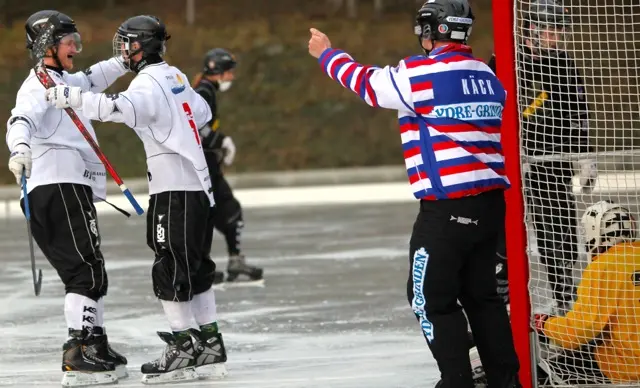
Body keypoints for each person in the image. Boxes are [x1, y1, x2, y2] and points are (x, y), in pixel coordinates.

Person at [308, 0, 520, 386]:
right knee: (482, 297)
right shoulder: (488, 76)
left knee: (428, 299)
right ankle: (505, 379)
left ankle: (456, 380)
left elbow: (367, 84)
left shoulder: (421, 73)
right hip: (491, 205)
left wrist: (327, 54)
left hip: (448, 208)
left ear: (430, 30)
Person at [43, 15, 228, 384]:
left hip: (172, 190)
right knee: (196, 268)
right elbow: (203, 113)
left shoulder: (147, 83)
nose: (122, 50)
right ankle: (209, 342)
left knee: (170, 266)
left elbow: (116, 108)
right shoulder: (175, 76)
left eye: (126, 42)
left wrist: (72, 96)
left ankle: (182, 347)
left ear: (139, 46)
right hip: (199, 189)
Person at [6, 10, 129, 386]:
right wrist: (20, 149)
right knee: (84, 271)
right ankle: (78, 353)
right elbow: (20, 119)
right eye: (69, 42)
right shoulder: (37, 85)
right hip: (55, 184)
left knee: (91, 268)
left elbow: (93, 78)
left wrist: (125, 60)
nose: (76, 47)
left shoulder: (63, 79)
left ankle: (94, 342)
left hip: (67, 184)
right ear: (47, 45)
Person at [489, 0, 596, 315]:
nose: (556, 38)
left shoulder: (563, 63)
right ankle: (502, 309)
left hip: (552, 164)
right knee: (502, 239)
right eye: (551, 30)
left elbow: (579, 113)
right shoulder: (505, 62)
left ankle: (566, 304)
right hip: (509, 165)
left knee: (560, 236)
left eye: (559, 31)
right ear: (532, 30)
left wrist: (585, 157)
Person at [472, 201, 640, 385]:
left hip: (628, 366)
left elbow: (577, 332)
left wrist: (544, 323)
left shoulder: (604, 267)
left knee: (541, 371)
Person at [191, 48, 263, 284]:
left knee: (218, 213)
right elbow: (195, 127)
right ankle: (206, 265)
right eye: (229, 72)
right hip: (203, 166)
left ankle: (223, 261)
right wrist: (221, 141)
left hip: (206, 164)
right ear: (218, 72)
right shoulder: (203, 91)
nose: (232, 77)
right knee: (223, 211)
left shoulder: (205, 89)